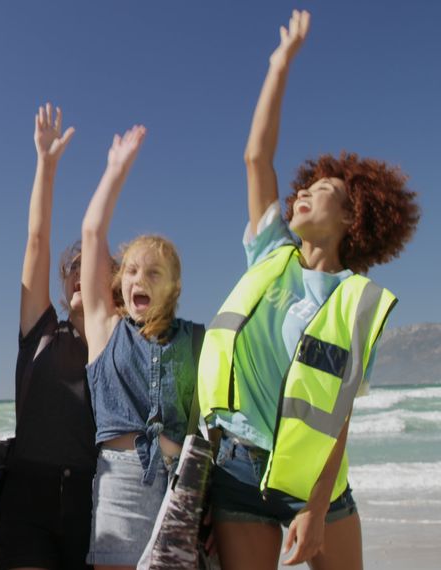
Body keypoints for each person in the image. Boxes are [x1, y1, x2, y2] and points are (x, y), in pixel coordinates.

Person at [199, 10, 420, 570]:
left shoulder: (353, 299)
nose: (301, 194)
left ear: (352, 217)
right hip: (236, 470)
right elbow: (257, 158)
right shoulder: (271, 253)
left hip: (313, 480)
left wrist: (318, 508)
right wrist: (280, 63)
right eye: (302, 188)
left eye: (320, 190)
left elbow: (336, 416)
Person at [79, 125, 204, 569]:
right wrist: (115, 170)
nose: (138, 280)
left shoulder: (196, 339)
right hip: (123, 481)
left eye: (154, 274)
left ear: (174, 288)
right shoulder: (105, 327)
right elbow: (92, 233)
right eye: (131, 271)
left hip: (182, 483)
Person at [0, 104, 97, 570]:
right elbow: (37, 239)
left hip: (92, 500)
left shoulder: (120, 346)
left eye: (92, 269)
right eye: (73, 270)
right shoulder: (41, 331)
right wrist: (46, 165)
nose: (81, 276)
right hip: (26, 496)